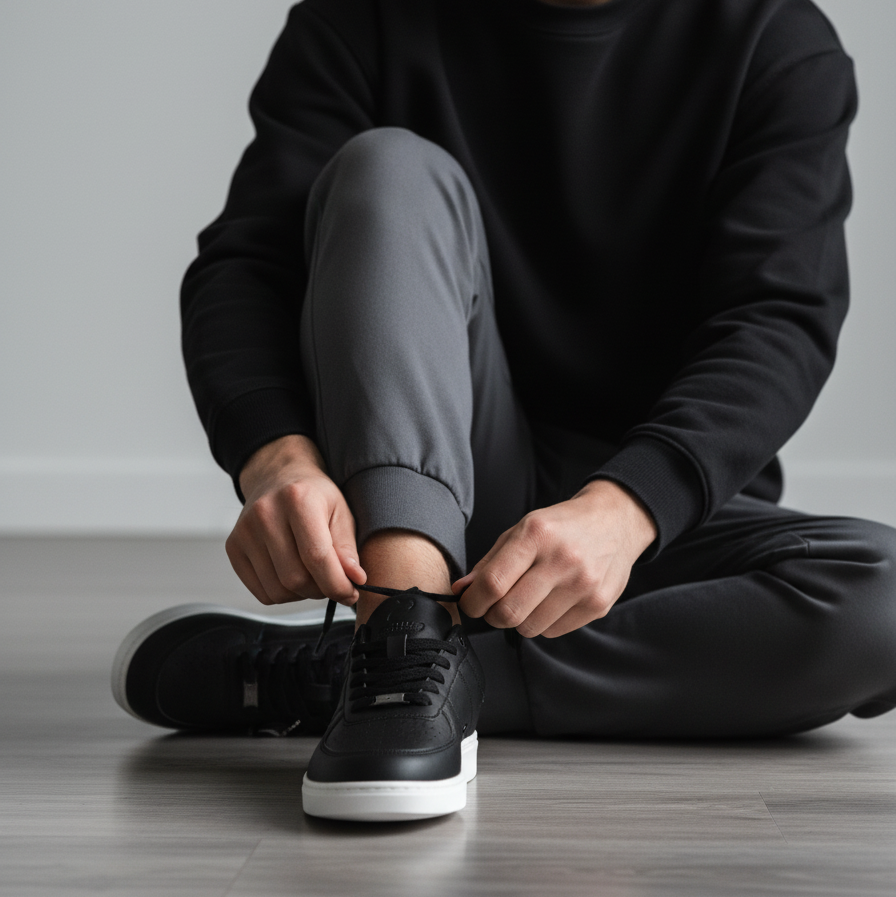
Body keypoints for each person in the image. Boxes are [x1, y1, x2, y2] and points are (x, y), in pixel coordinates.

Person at [112, 0, 896, 822]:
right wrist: (276, 458)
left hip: (652, 532)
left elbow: (777, 322)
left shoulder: (773, 37)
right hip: (433, 492)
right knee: (390, 170)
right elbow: (247, 267)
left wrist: (624, 510)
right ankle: (404, 636)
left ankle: (349, 671)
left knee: (881, 605)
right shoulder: (363, 18)